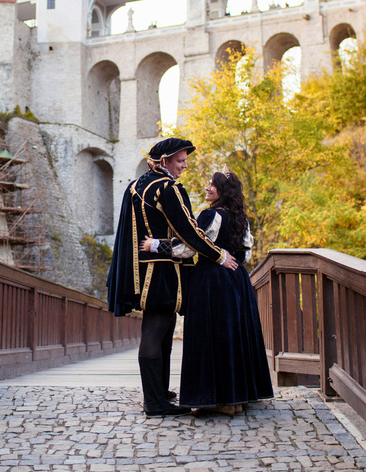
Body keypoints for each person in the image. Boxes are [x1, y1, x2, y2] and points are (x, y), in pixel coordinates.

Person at [106, 138, 238, 417]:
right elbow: (189, 232)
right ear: (164, 161)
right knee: (156, 330)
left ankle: (160, 392)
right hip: (163, 272)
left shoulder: (136, 185)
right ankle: (155, 403)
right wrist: (219, 256)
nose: (184, 166)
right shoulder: (168, 189)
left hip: (140, 269)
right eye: (180, 161)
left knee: (161, 331)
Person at [144, 171, 273, 413]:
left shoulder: (210, 215)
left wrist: (155, 245)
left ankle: (218, 401)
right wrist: (231, 261)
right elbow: (245, 252)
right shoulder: (240, 218)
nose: (207, 188)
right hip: (237, 279)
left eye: (213, 185)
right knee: (233, 335)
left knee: (210, 336)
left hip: (210, 280)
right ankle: (236, 398)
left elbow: (190, 247)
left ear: (224, 191)